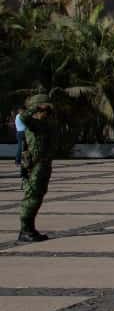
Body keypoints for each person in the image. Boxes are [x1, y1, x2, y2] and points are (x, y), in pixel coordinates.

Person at [17, 94, 54, 243]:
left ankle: (30, 229)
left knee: (38, 197)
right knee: (31, 197)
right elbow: (23, 117)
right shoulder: (33, 123)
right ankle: (25, 231)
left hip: (43, 165)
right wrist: (36, 107)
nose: (47, 111)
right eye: (45, 109)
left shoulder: (44, 124)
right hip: (35, 167)